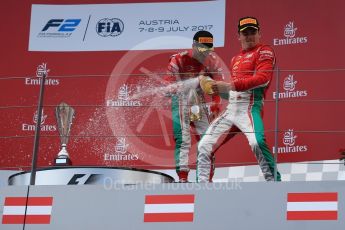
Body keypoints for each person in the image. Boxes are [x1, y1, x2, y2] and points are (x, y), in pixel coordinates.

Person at [197, 17, 282, 182]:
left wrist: (229, 86)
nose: (249, 36)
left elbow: (263, 78)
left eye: (253, 32)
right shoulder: (235, 59)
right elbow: (231, 91)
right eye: (245, 33)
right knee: (204, 146)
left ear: (259, 33)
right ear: (239, 36)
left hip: (249, 106)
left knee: (256, 143)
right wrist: (214, 87)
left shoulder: (265, 50)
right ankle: (202, 187)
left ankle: (275, 184)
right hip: (231, 108)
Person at [165, 30, 225, 182]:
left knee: (207, 138)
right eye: (202, 50)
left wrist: (216, 104)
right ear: (193, 46)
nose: (205, 54)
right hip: (180, 100)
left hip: (197, 101)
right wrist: (194, 82)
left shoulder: (211, 60)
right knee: (183, 138)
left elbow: (218, 85)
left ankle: (205, 179)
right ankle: (183, 178)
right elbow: (167, 89)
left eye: (208, 50)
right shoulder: (178, 59)